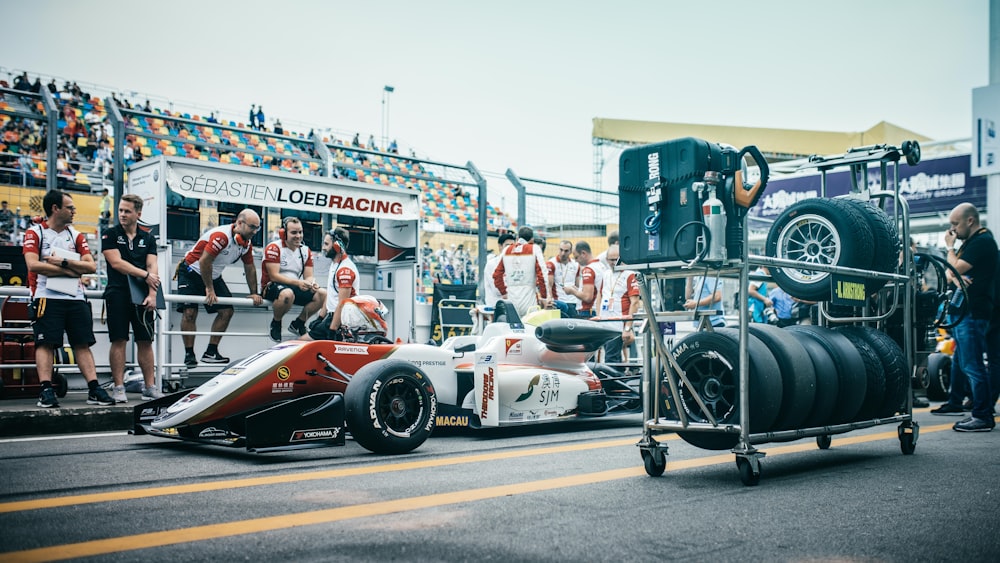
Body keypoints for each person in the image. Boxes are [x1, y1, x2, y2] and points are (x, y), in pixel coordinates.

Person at [24, 189, 114, 408]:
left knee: (82, 343)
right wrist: (74, 271)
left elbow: (91, 266)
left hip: (75, 298)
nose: (74, 211)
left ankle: (94, 388)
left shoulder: (75, 234)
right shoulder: (35, 232)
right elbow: (33, 265)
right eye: (70, 207)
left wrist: (63, 263)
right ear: (55, 208)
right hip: (46, 297)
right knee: (45, 343)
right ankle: (46, 390)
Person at [930, 203, 997, 432]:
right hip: (964, 311)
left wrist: (949, 248)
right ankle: (956, 401)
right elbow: (951, 274)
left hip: (974, 311)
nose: (953, 229)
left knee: (972, 364)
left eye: (955, 224)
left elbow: (953, 268)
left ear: (970, 220)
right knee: (961, 361)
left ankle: (982, 415)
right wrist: (956, 275)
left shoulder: (982, 242)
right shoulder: (970, 243)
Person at [176, 209, 264, 367]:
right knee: (189, 312)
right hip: (191, 271)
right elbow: (204, 262)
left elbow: (249, 268)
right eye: (252, 227)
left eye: (258, 227)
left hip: (213, 274)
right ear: (239, 223)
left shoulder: (246, 244)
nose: (255, 231)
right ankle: (189, 354)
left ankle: (211, 351)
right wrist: (209, 289)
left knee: (227, 311)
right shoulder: (222, 237)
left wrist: (254, 293)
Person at [101, 193, 163, 402]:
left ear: (138, 213)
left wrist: (153, 295)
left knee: (145, 341)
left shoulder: (148, 238)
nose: (122, 214)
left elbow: (153, 266)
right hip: (117, 293)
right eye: (120, 210)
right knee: (119, 339)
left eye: (127, 211)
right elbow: (116, 263)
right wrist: (145, 275)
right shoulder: (110, 234)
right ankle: (119, 387)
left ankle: (150, 386)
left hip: (142, 296)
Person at [261, 217, 326, 342]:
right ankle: (276, 323)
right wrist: (298, 283)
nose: (298, 236)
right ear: (283, 233)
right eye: (294, 233)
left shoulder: (305, 250)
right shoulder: (274, 248)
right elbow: (274, 276)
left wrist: (311, 283)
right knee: (287, 294)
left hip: (294, 286)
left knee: (322, 294)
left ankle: (298, 323)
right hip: (272, 286)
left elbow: (309, 275)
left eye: (300, 232)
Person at [305, 228, 361, 341]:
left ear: (337, 246)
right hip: (331, 318)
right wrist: (320, 318)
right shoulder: (335, 264)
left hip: (339, 321)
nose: (323, 248)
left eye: (326, 244)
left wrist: (332, 330)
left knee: (301, 343)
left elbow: (342, 304)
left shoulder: (345, 270)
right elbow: (331, 295)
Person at [492, 226, 550, 317]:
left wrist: (504, 293)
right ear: (532, 239)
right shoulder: (534, 248)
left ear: (518, 238)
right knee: (531, 328)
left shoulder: (507, 250)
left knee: (512, 329)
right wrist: (544, 297)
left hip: (511, 298)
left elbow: (496, 275)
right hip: (529, 298)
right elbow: (542, 274)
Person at [595, 244, 639, 363]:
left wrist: (628, 328)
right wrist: (599, 315)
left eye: (616, 259)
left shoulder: (630, 274)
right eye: (611, 259)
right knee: (610, 357)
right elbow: (600, 295)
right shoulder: (606, 274)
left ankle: (612, 381)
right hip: (605, 323)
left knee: (611, 358)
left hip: (619, 324)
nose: (614, 262)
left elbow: (635, 302)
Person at [563, 241, 605, 317]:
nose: (575, 261)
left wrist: (572, 291)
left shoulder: (588, 270)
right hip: (598, 309)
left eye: (576, 257)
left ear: (583, 253)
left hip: (588, 311)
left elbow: (587, 297)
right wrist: (578, 290)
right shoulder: (601, 266)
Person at [547, 239, 580, 318]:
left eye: (566, 251)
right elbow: (549, 285)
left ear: (570, 251)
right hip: (559, 302)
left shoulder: (576, 264)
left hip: (573, 301)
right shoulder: (551, 263)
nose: (563, 253)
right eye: (561, 250)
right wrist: (550, 300)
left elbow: (577, 285)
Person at [482, 233, 515, 308]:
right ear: (500, 246)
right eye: (507, 245)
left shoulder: (514, 263)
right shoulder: (492, 264)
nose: (510, 248)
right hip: (495, 305)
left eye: (512, 245)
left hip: (511, 304)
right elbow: (497, 290)